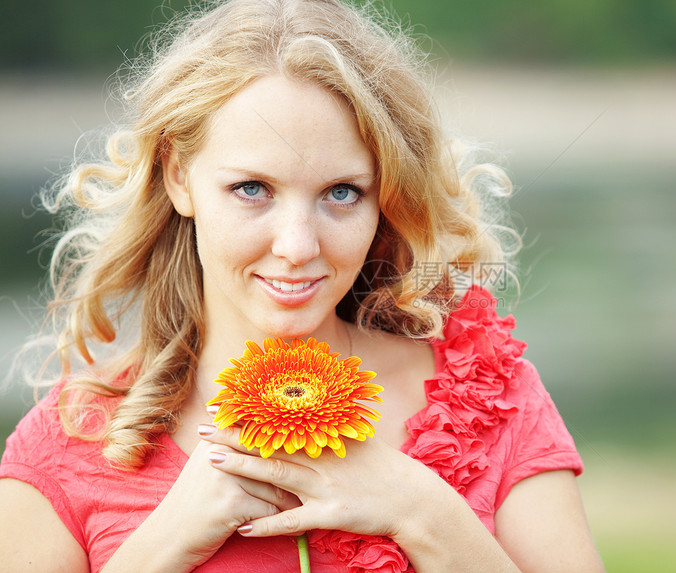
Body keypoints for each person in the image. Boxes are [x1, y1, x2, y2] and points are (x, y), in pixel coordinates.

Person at [0, 0, 605, 571]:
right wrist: (165, 543)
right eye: (252, 189)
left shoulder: (492, 401)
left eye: (342, 193)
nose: (297, 246)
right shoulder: (69, 443)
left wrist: (428, 515)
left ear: (386, 200)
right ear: (179, 177)